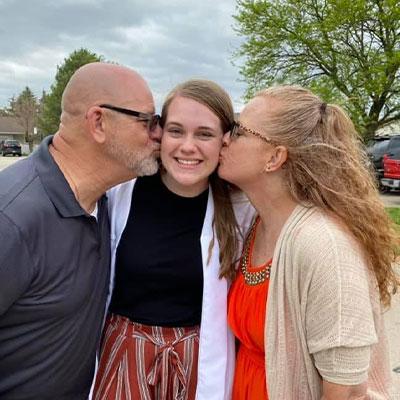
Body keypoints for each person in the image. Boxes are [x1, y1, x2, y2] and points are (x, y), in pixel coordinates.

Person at [218, 85, 399, 399]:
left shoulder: (325, 245)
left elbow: (349, 392)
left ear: (275, 157)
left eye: (238, 131)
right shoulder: (258, 221)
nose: (224, 138)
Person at [0, 62, 162, 400]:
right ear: (98, 122)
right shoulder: (12, 218)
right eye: (147, 121)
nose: (158, 134)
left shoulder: (106, 203)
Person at [92, 79, 253, 400]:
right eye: (176, 131)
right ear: (160, 133)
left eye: (204, 134)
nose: (187, 146)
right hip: (124, 358)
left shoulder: (242, 209)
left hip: (198, 363)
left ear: (225, 140)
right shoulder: (120, 192)